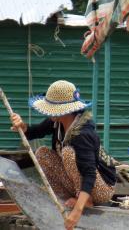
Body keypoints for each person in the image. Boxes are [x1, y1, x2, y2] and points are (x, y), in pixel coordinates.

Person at [10, 80, 116, 230]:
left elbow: (89, 174)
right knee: (42, 154)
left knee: (68, 153)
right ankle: (65, 200)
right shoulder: (57, 122)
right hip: (79, 184)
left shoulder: (83, 134)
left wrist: (77, 211)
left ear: (65, 109)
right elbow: (34, 132)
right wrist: (22, 126)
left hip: (101, 188)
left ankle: (84, 201)